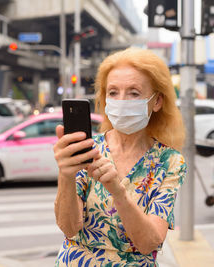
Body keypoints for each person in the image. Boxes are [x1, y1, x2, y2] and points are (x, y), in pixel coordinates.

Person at [53, 47, 187, 266]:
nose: (122, 101)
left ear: (157, 101)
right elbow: (69, 227)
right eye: (113, 92)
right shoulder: (88, 149)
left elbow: (148, 243)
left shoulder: (169, 161)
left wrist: (118, 192)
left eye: (134, 93)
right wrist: (65, 175)